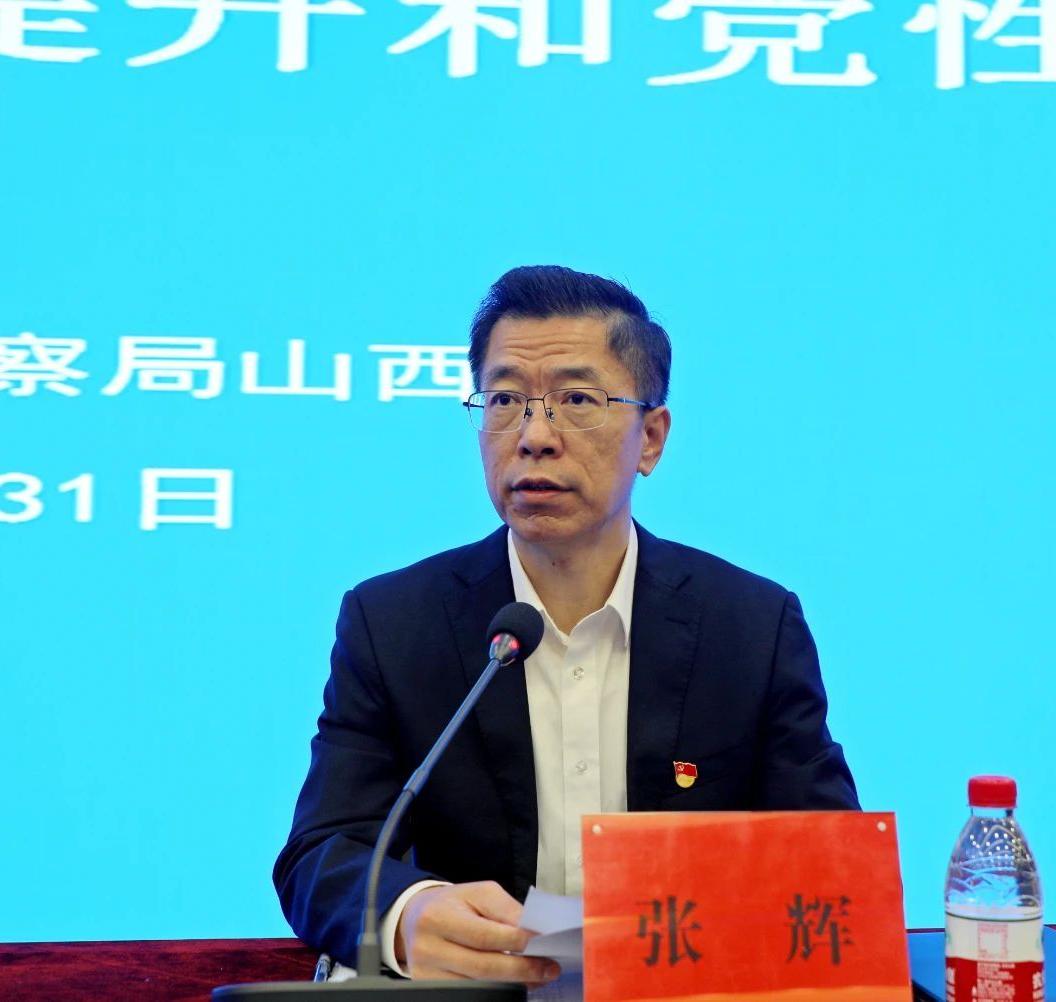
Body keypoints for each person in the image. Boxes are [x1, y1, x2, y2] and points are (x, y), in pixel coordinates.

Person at [273, 265, 858, 986]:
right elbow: (323, 852)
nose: (534, 436)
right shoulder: (393, 623)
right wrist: (407, 913)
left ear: (651, 438)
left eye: (577, 400)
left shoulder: (750, 626)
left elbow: (827, 863)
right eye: (505, 399)